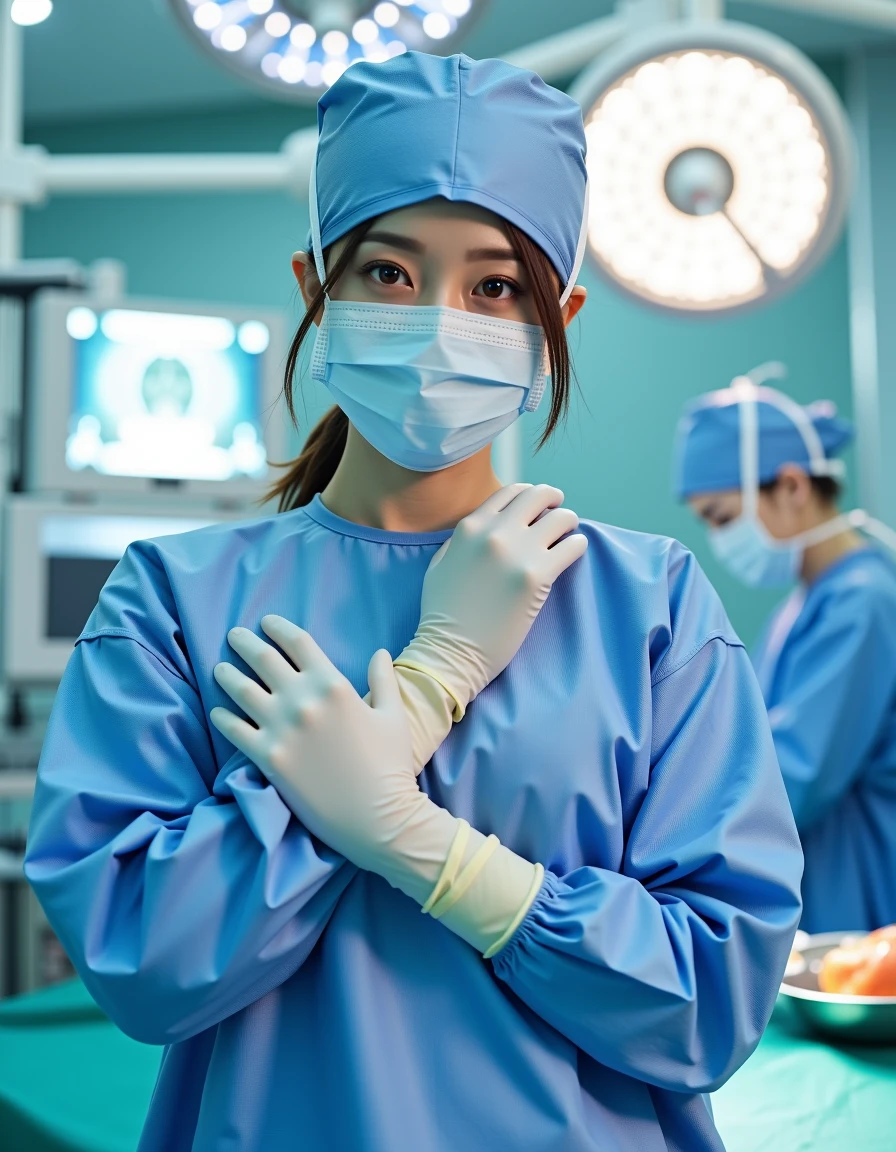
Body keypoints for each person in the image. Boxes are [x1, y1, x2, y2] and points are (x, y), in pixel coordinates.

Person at [26, 54, 802, 1152]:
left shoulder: (650, 608)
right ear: (315, 288)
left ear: (557, 317)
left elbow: (710, 1000)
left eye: (493, 286)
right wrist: (426, 688)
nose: (439, 321)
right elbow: (143, 966)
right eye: (388, 274)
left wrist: (426, 847)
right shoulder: (173, 600)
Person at [675, 368, 896, 935]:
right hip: (820, 875)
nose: (720, 539)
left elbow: (794, 778)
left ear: (794, 486)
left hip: (860, 882)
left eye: (723, 517)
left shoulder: (862, 602)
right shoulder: (807, 602)